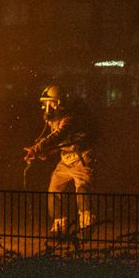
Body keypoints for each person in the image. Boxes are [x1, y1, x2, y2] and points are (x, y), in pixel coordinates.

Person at [23, 84, 95, 233]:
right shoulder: (53, 121)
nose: (47, 107)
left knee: (82, 190)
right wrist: (42, 153)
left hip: (82, 159)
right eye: (45, 104)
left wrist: (37, 148)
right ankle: (59, 226)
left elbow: (58, 136)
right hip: (66, 160)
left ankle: (87, 226)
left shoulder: (69, 119)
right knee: (54, 190)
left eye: (51, 103)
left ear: (60, 104)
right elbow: (59, 145)